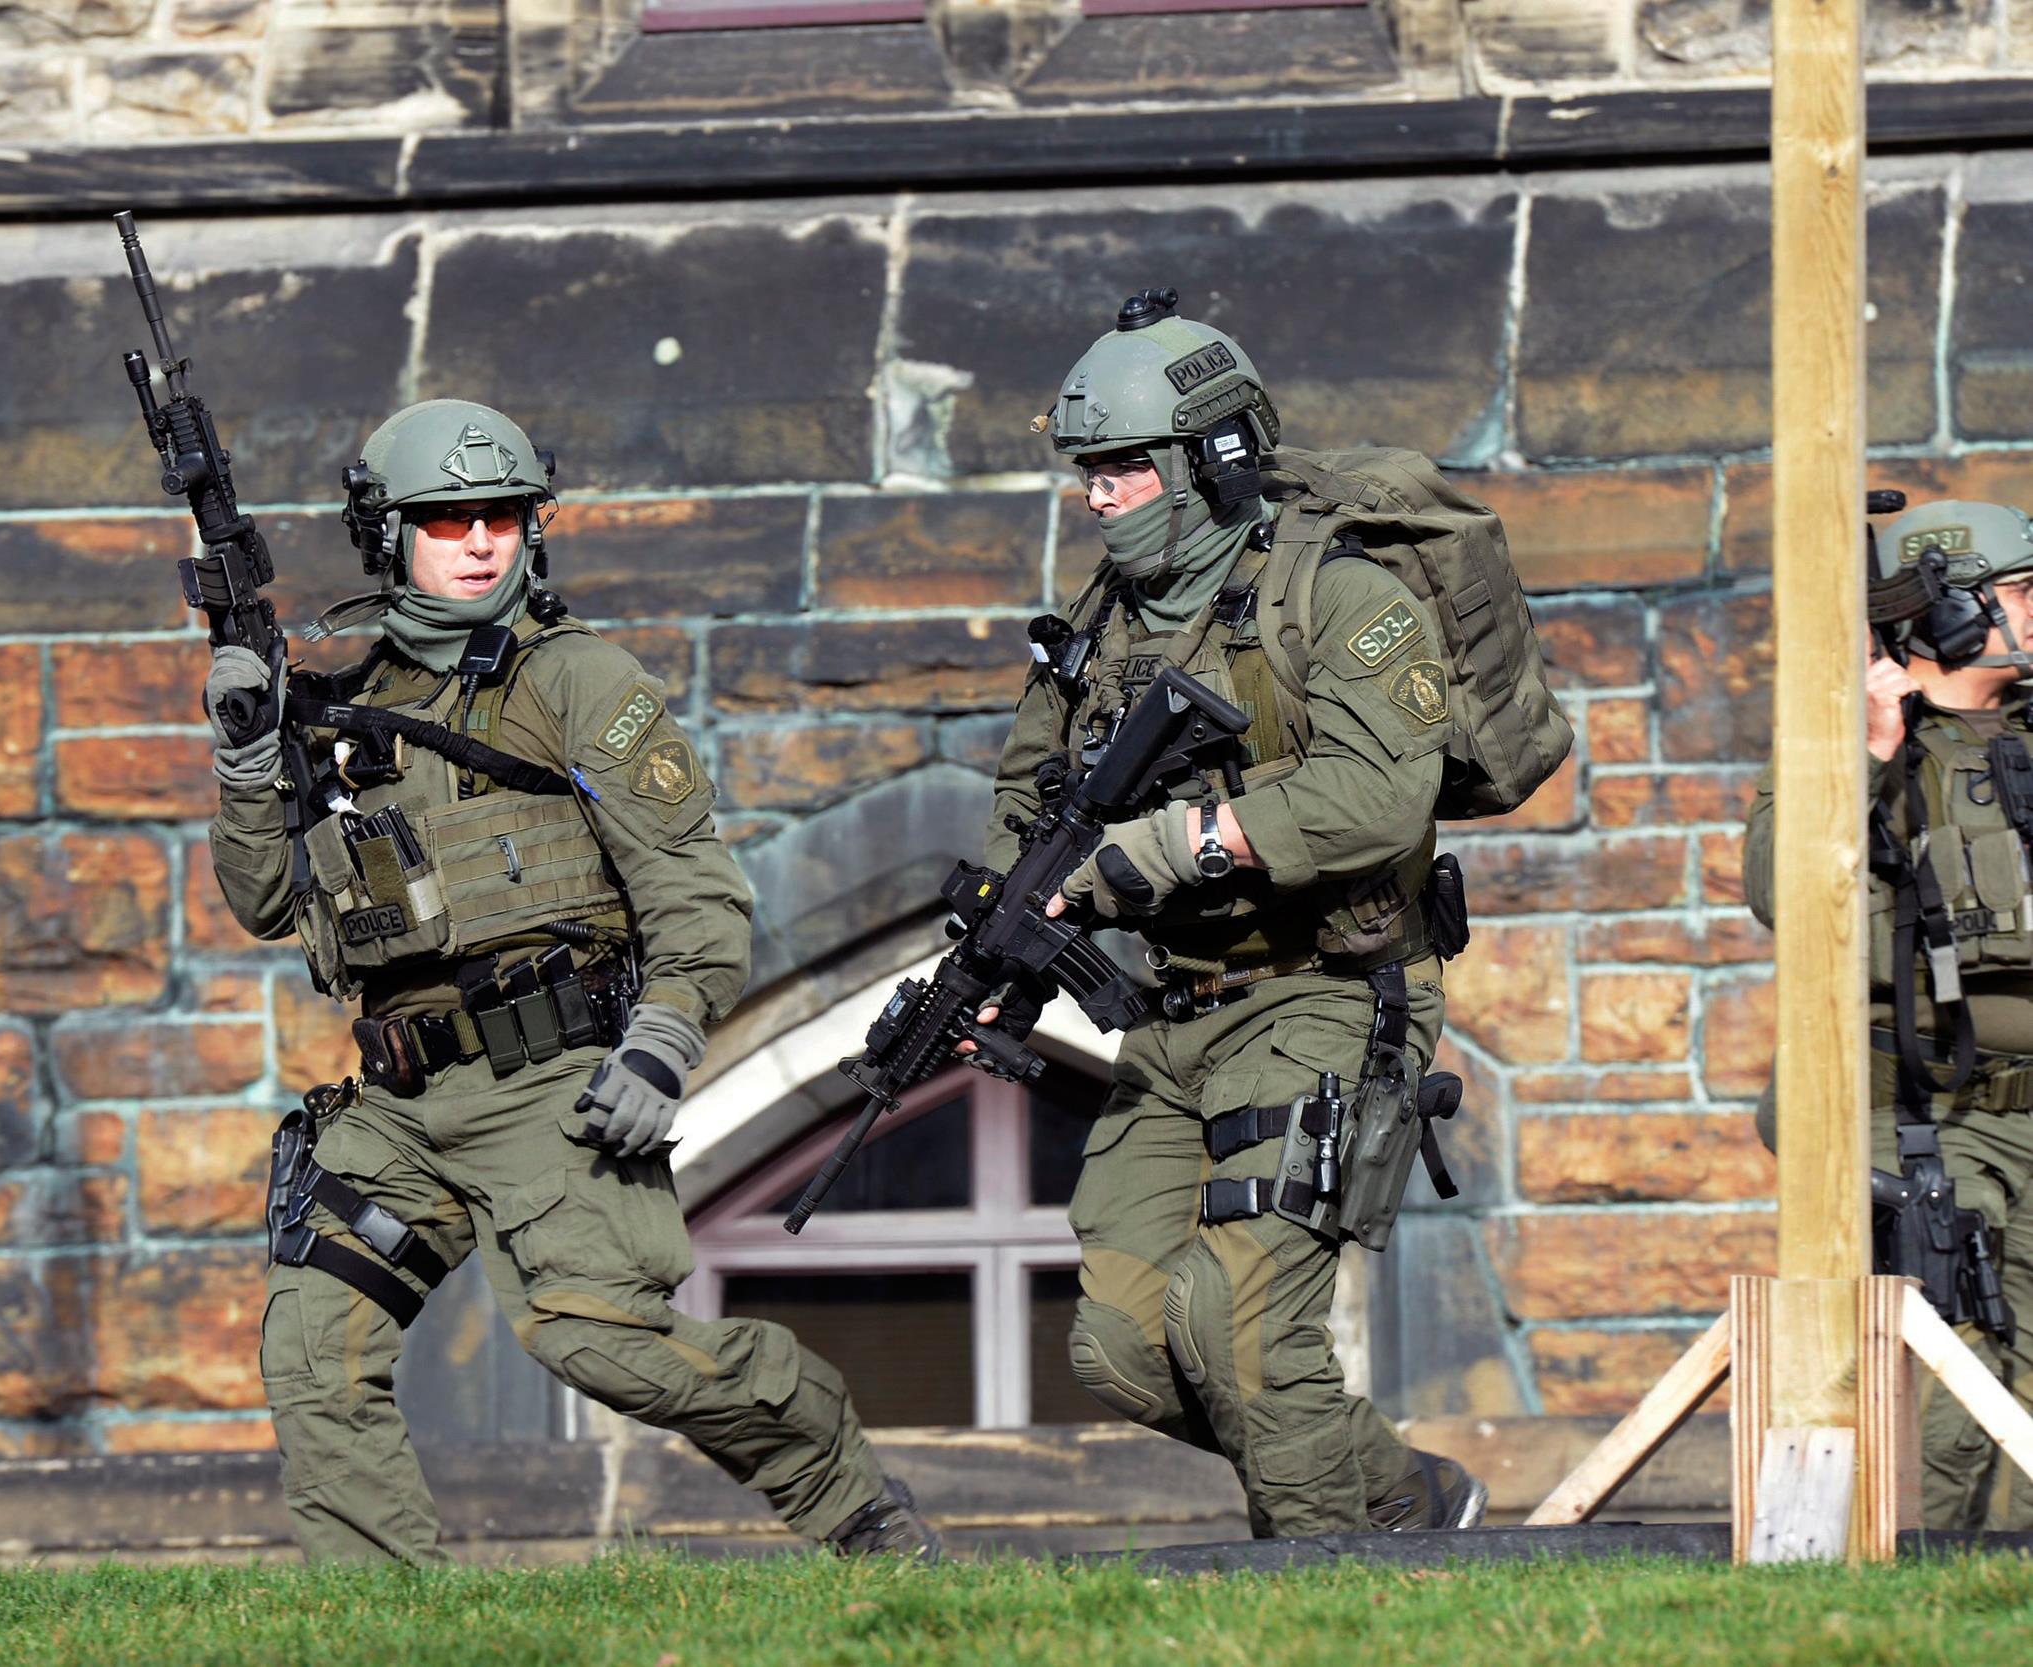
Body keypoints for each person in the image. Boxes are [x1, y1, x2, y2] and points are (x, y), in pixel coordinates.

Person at [207, 398, 939, 1563]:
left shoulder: (578, 682)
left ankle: (834, 1474)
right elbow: (262, 901)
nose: (480, 540)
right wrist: (249, 762)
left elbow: (695, 892)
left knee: (599, 1343)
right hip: (398, 1107)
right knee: (312, 1347)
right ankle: (386, 1628)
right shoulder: (350, 711)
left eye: (499, 514)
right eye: (445, 520)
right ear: (386, 537)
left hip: (548, 1088)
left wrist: (660, 1042)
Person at [974, 291, 1490, 1536]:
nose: (1096, 496)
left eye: (1120, 469)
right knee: (1122, 1342)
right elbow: (1027, 801)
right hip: (1170, 1015)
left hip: (1324, 987)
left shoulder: (1341, 597)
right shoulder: (1101, 624)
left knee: (1242, 1322)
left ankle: (1322, 1589)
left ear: (1206, 461)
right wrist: (1003, 937)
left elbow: (1376, 795)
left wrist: (1178, 843)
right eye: (1084, 472)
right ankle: (1399, 1493)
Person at [1746, 496, 2033, 1531]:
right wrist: (1865, 752)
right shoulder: (1852, 745)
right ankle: (1909, 1596)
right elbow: (1784, 892)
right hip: (1917, 1110)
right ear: (1953, 613)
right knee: (1956, 1390)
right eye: (2021, 592)